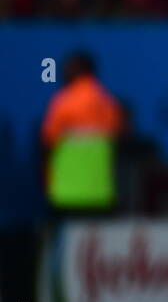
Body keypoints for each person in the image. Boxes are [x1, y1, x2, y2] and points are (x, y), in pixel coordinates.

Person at [41, 51, 123, 214]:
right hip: (100, 192)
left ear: (79, 69)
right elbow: (118, 139)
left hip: (66, 192)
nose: (63, 72)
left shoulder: (64, 102)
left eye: (68, 68)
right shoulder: (108, 104)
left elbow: (47, 140)